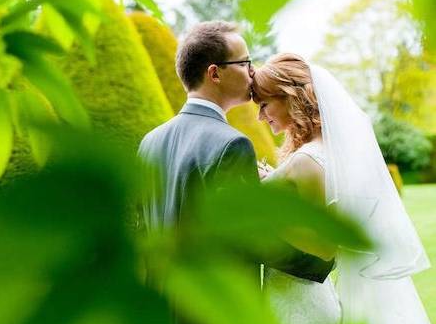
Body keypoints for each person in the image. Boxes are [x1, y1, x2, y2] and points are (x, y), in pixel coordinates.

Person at [253, 53, 436, 324]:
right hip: (310, 293)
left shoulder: (307, 159)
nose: (260, 116)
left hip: (299, 302)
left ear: (290, 97)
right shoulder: (326, 151)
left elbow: (324, 246)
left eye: (264, 105)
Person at [137, 21, 334, 284]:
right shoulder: (231, 145)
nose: (253, 73)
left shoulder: (149, 142)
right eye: (245, 63)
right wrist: (323, 263)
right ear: (215, 74)